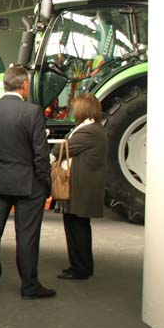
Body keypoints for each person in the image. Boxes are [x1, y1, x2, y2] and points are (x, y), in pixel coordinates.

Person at [0, 66, 55, 299]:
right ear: (25, 85)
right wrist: (45, 182)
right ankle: (29, 286)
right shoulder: (32, 112)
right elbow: (40, 153)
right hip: (28, 183)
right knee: (27, 235)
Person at [57, 94, 107, 280]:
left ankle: (80, 268)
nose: (72, 110)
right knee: (78, 227)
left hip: (81, 188)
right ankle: (80, 265)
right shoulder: (93, 129)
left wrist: (58, 150)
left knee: (77, 228)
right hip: (83, 186)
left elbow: (62, 150)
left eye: (75, 107)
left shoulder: (88, 131)